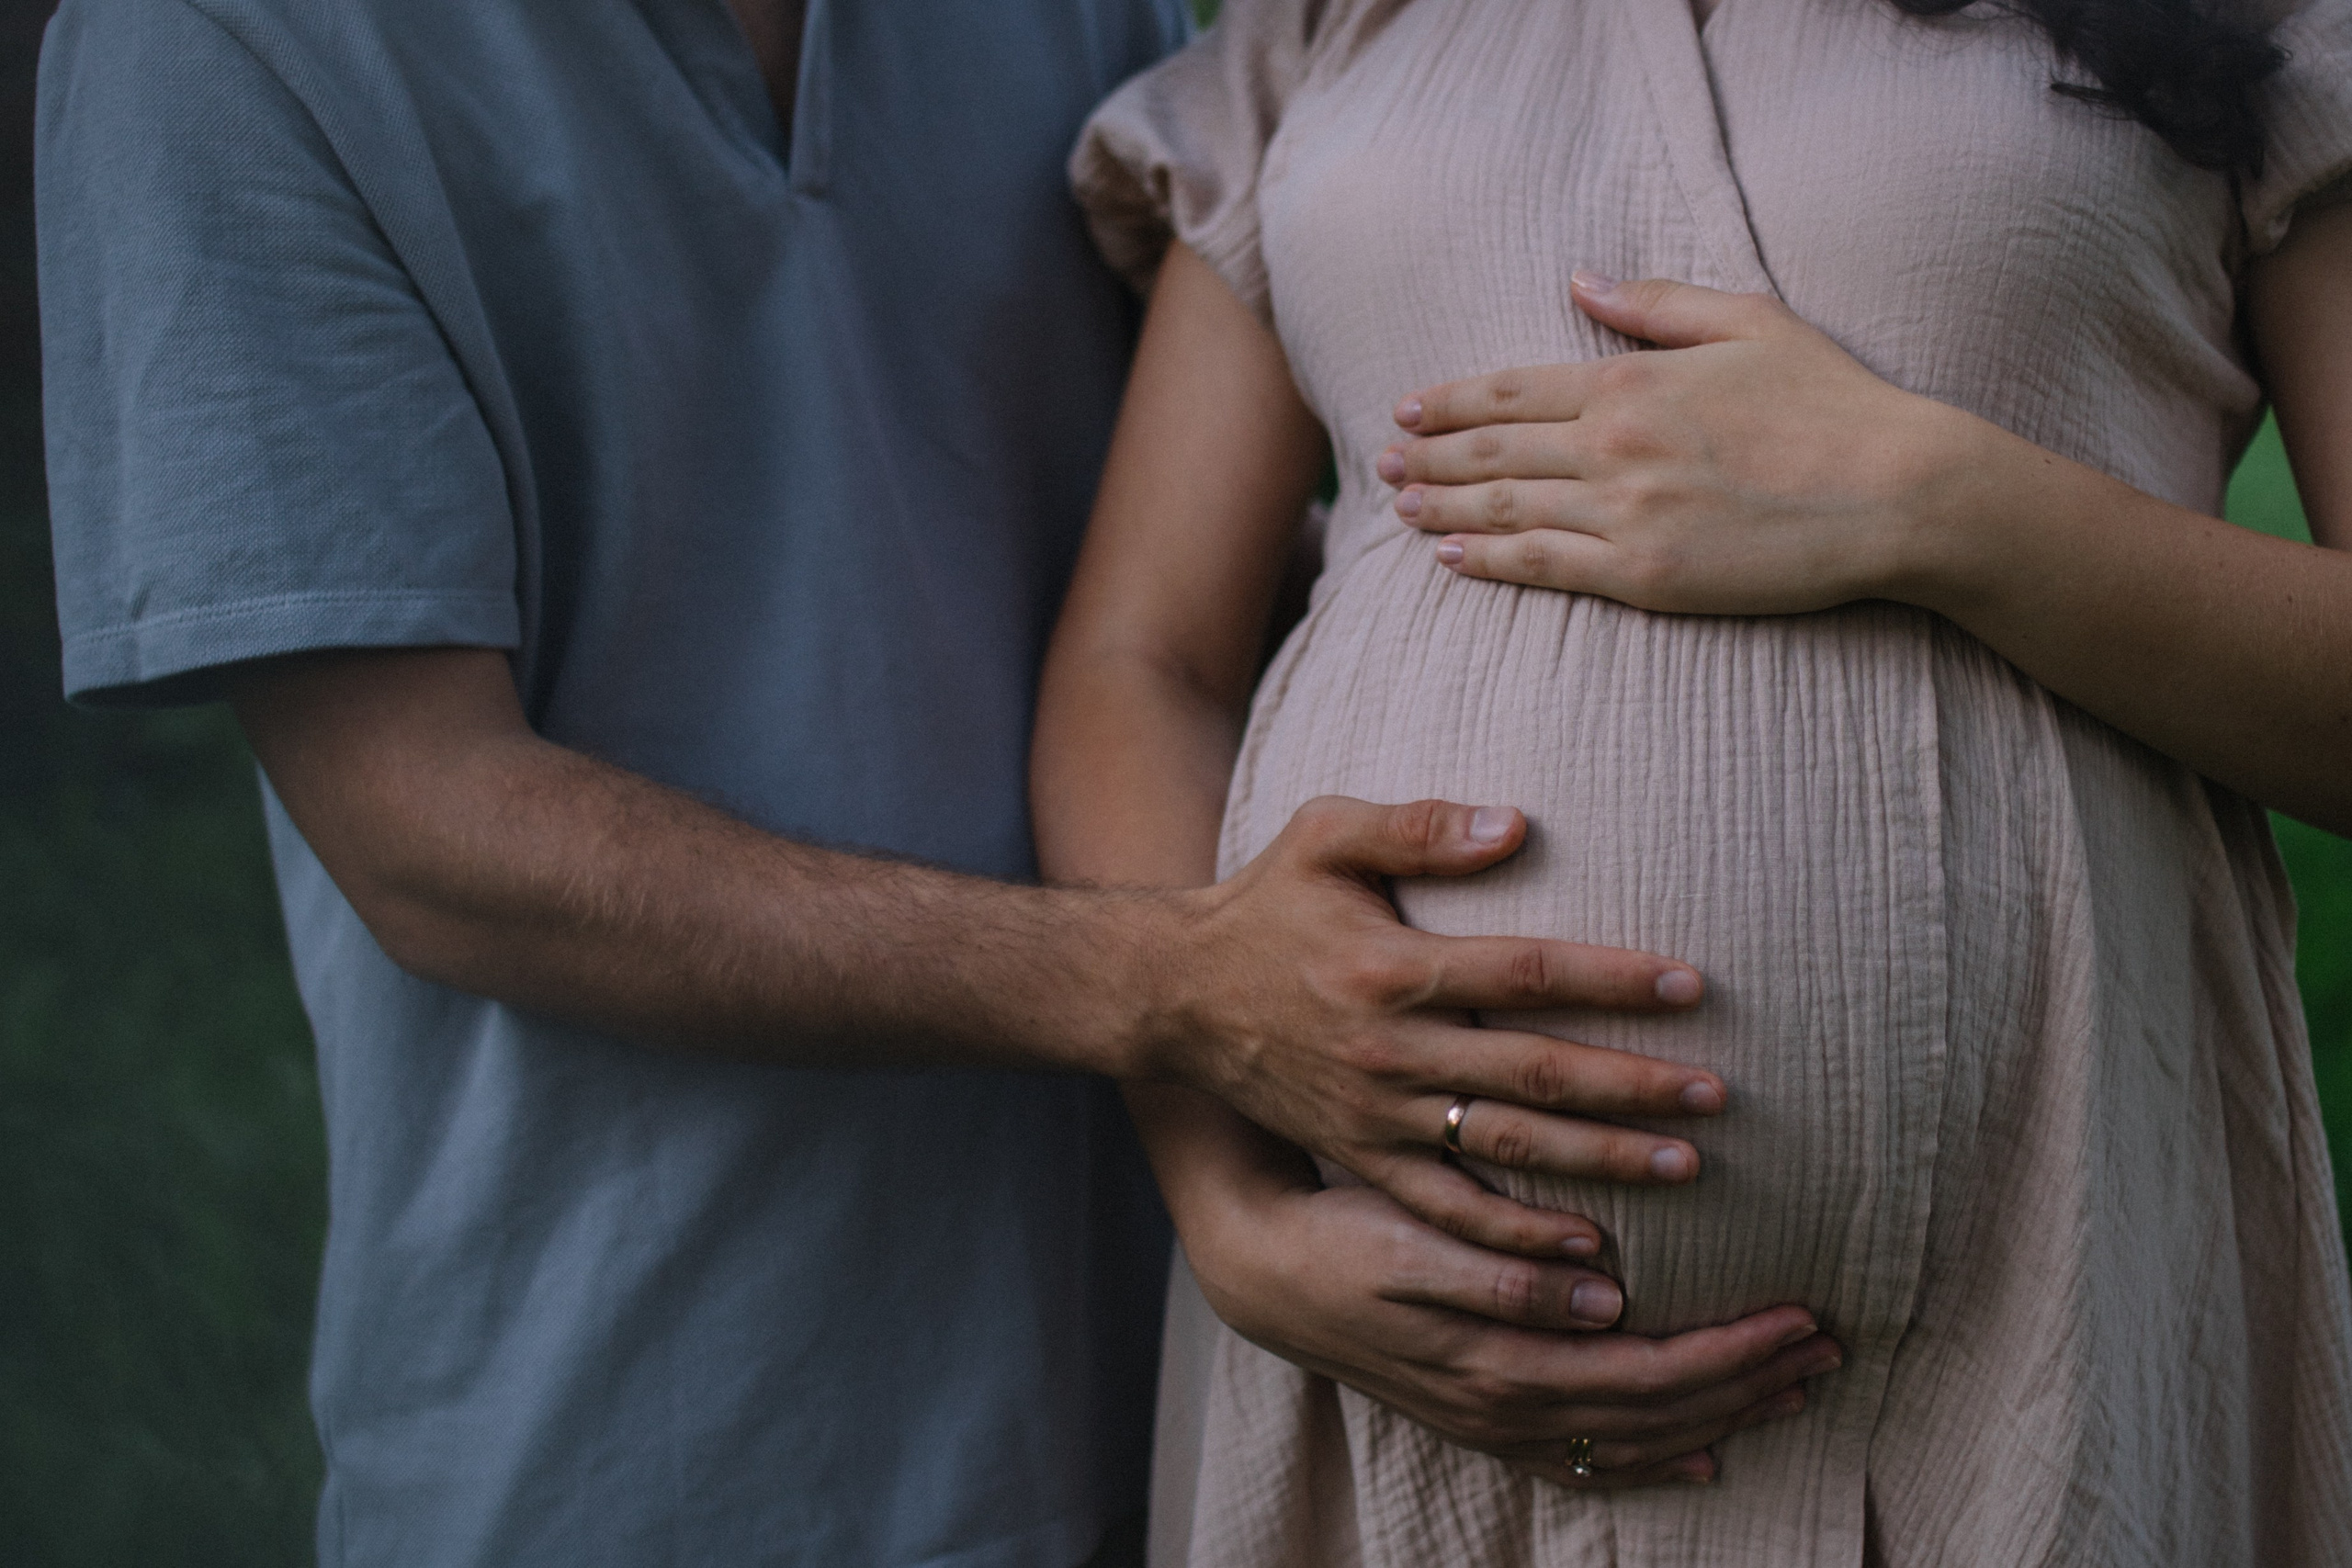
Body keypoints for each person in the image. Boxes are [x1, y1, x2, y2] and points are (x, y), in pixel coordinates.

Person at [35, 0, 1833, 1562]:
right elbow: (433, 832)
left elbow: (1189, 580)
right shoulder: (212, 47)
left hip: (1198, 1386)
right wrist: (1181, 987)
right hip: (643, 1450)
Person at [1038, 0, 2352, 1562]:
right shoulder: (1327, 33)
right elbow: (1143, 663)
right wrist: (1228, 1191)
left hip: (2028, 1333)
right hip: (1392, 1371)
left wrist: (1939, 504)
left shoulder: (2239, 21)